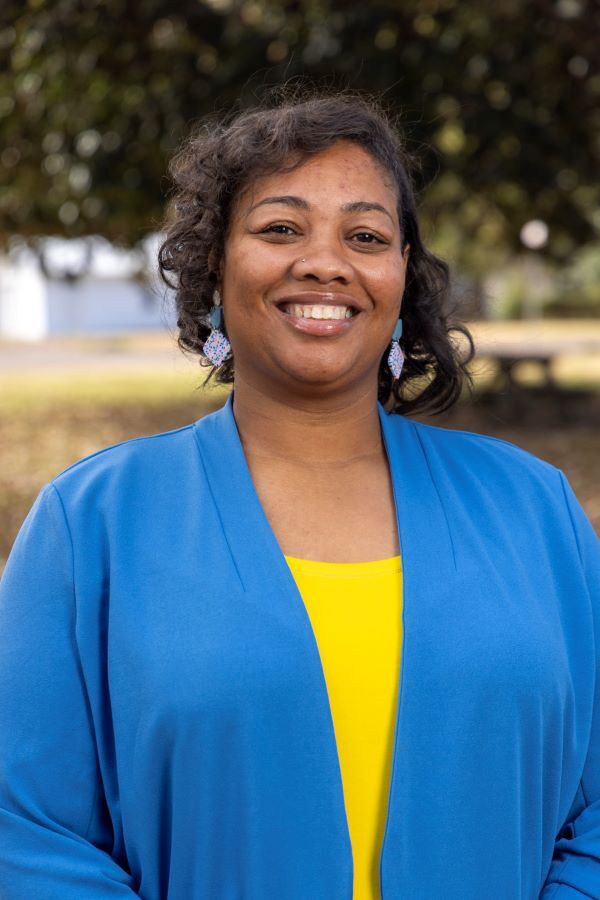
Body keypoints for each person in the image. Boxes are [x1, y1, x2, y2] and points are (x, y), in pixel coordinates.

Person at [0, 92, 598, 900]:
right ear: (215, 266)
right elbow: (29, 835)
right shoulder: (91, 527)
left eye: (365, 236)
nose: (326, 262)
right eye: (281, 228)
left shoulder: (536, 512)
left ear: (399, 281)